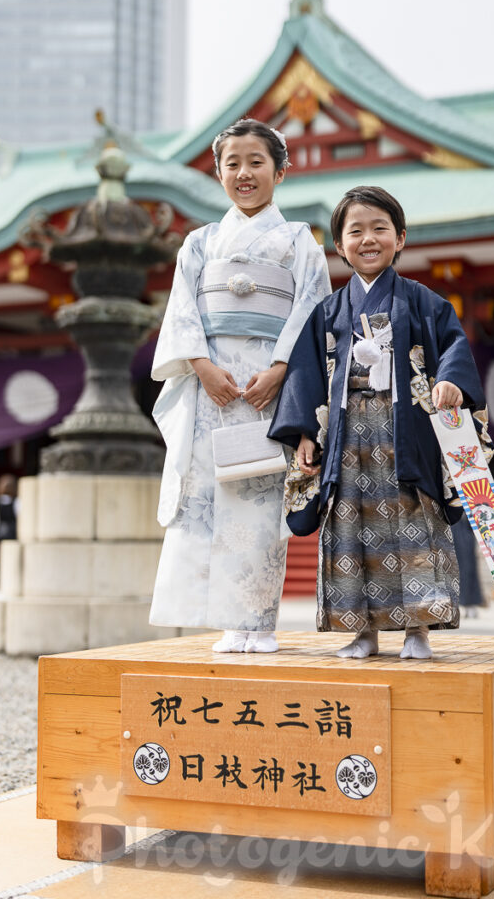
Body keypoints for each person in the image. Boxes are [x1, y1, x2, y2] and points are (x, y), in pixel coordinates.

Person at [270, 185, 491, 659]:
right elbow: (305, 374)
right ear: (339, 244)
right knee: (350, 526)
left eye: (379, 229)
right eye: (355, 231)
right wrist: (306, 432)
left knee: (414, 521)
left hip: (405, 430)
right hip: (348, 436)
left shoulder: (425, 302)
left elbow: (453, 346)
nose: (368, 239)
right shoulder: (328, 311)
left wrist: (450, 382)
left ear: (401, 238)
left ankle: (418, 630)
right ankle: (362, 631)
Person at [149, 118, 331, 654]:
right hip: (213, 387)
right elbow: (182, 310)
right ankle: (228, 621)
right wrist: (201, 366)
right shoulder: (198, 243)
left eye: (256, 162)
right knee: (207, 497)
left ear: (279, 171)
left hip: (265, 389)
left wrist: (280, 370)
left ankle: (260, 620)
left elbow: (312, 311)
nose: (244, 173)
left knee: (258, 500)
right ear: (218, 171)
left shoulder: (300, 241)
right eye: (233, 164)